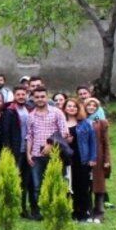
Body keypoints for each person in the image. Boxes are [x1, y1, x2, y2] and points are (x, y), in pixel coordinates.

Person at [26, 86, 69, 220]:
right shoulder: (31, 116)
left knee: (57, 183)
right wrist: (28, 153)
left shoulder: (57, 113)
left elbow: (65, 133)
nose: (40, 99)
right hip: (36, 156)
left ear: (47, 96)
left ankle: (57, 210)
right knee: (37, 186)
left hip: (55, 154)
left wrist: (50, 144)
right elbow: (29, 135)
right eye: (37, 97)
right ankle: (40, 212)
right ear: (33, 98)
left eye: (42, 96)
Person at [64, 98, 97, 222]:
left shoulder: (85, 123)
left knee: (82, 187)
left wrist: (93, 158)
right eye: (69, 106)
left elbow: (92, 142)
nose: (71, 108)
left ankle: (83, 213)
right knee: (69, 186)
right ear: (65, 108)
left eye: (74, 106)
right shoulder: (62, 123)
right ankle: (71, 212)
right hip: (67, 159)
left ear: (78, 109)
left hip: (82, 159)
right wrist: (65, 141)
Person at [7, 84, 35, 218]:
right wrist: (9, 151)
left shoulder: (30, 110)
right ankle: (13, 207)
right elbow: (6, 134)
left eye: (23, 94)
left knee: (26, 181)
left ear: (27, 94)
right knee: (14, 180)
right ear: (14, 95)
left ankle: (23, 208)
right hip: (16, 150)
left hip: (28, 151)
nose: (21, 96)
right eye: (18, 94)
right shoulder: (9, 111)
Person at [84, 98, 112, 222]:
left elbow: (106, 143)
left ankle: (99, 212)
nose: (91, 107)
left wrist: (107, 159)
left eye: (93, 105)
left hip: (98, 157)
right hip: (84, 157)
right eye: (88, 105)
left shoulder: (101, 122)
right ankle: (88, 211)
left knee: (99, 185)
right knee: (86, 185)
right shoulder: (82, 121)